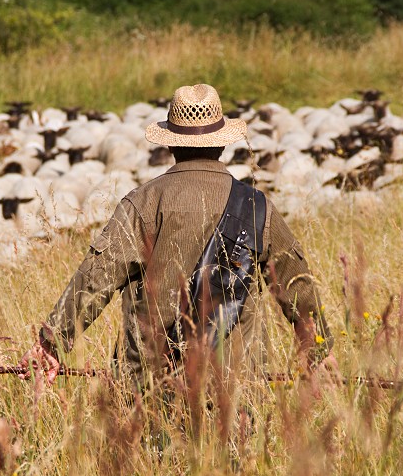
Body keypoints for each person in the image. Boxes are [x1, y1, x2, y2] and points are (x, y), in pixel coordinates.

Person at [19, 83, 331, 390]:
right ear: (223, 144)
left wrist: (51, 343)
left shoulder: (143, 202)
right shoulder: (256, 207)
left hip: (150, 384)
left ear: (170, 144)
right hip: (235, 387)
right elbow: (297, 285)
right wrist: (318, 353)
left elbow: (95, 279)